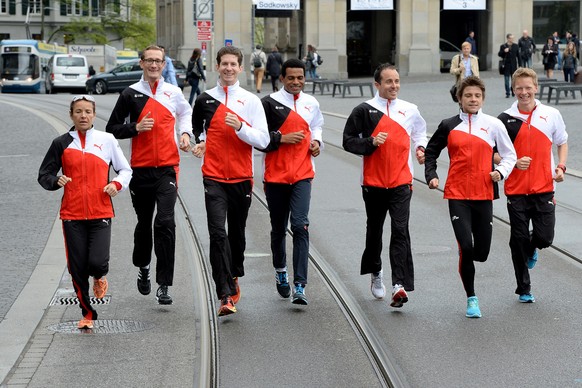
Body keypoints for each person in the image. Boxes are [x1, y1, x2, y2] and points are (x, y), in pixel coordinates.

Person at [106, 45, 193, 305]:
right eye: (150, 61)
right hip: (140, 171)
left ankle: (164, 283)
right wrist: (136, 127)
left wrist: (185, 134)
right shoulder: (130, 94)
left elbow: (185, 113)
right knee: (144, 224)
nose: (155, 65)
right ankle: (143, 266)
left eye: (159, 61)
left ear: (164, 64)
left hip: (167, 168)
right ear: (141, 63)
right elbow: (112, 128)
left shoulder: (173, 92)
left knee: (165, 223)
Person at [424, 76, 516, 319]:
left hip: (483, 193)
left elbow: (510, 155)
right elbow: (431, 151)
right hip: (457, 194)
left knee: (482, 252)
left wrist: (501, 172)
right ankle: (472, 299)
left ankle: (467, 257)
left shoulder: (494, 125)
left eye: (477, 96)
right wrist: (431, 175)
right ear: (459, 99)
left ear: (482, 98)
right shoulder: (448, 125)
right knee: (466, 246)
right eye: (468, 96)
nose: (473, 99)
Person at [38, 95, 132, 329]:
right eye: (78, 112)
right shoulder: (61, 143)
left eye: (87, 112)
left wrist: (116, 184)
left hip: (101, 212)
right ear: (71, 115)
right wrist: (56, 179)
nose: (83, 116)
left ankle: (100, 278)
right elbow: (44, 174)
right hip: (72, 214)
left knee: (98, 263)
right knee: (77, 268)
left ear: (93, 114)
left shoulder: (107, 140)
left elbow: (125, 169)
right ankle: (87, 313)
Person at [191, 46, 269, 316]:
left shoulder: (251, 101)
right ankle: (224, 293)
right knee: (217, 234)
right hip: (213, 177)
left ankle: (234, 272)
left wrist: (240, 128)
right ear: (217, 66)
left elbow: (264, 140)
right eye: (224, 63)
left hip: (241, 177)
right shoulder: (204, 100)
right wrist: (199, 144)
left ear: (240, 68)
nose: (228, 68)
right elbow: (197, 131)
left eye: (233, 64)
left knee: (236, 235)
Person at [343, 64, 427, 309]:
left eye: (397, 81)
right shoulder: (364, 110)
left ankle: (398, 284)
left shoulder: (410, 110)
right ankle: (376, 271)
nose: (394, 86)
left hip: (401, 181)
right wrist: (370, 142)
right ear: (377, 84)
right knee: (375, 231)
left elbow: (420, 132)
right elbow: (347, 141)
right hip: (373, 183)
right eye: (388, 82)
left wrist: (420, 148)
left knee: (400, 231)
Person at [497, 68, 568, 304]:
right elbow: (494, 154)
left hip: (544, 187)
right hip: (516, 189)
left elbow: (562, 141)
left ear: (536, 87)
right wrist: (512, 163)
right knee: (517, 240)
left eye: (528, 88)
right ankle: (524, 288)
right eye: (519, 88)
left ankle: (532, 245)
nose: (524, 92)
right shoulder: (504, 119)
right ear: (514, 89)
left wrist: (561, 167)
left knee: (545, 237)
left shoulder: (551, 114)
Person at [259, 58, 324, 305]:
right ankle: (280, 271)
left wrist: (317, 143)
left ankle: (300, 285)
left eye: (300, 78)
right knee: (278, 228)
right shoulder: (268, 104)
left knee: (299, 226)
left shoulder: (311, 103)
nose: (296, 82)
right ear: (282, 79)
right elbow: (258, 137)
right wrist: (281, 138)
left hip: (303, 174)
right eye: (291, 78)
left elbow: (316, 126)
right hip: (275, 176)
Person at [498, 33, 519, 98]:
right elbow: (499, 54)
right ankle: (507, 92)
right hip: (506, 65)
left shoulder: (516, 46)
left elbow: (518, 55)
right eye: (511, 38)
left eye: (513, 38)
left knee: (514, 80)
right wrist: (504, 51)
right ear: (508, 39)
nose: (512, 39)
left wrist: (520, 65)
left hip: (513, 65)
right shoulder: (503, 46)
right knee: (506, 80)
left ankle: (513, 91)